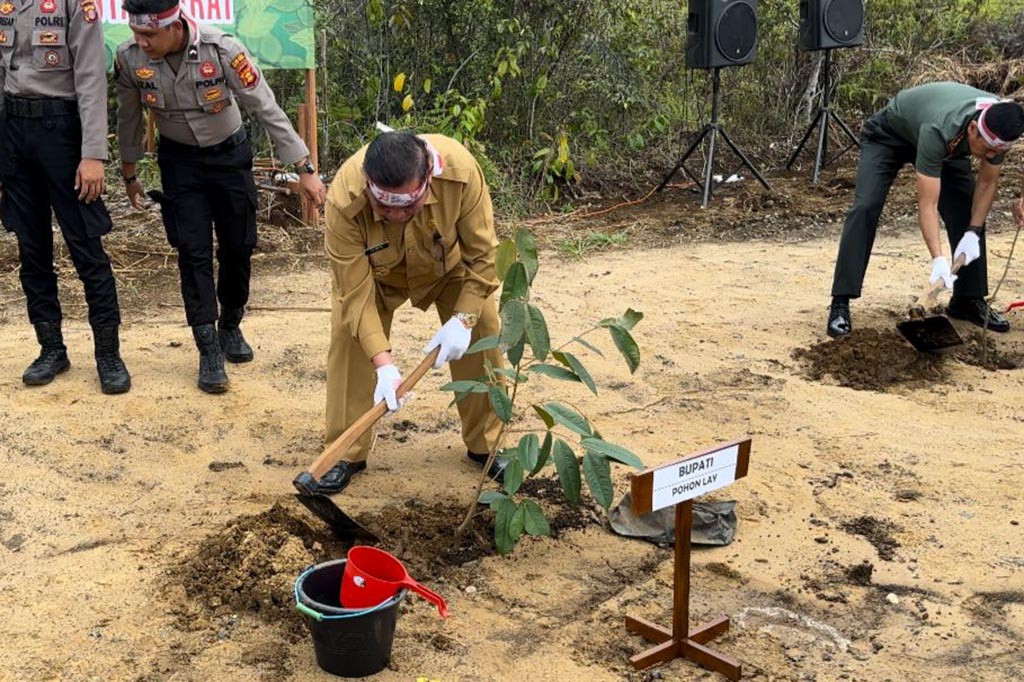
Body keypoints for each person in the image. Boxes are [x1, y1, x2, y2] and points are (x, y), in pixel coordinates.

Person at [114, 0, 325, 393]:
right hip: (180, 164)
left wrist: (304, 168)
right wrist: (129, 173)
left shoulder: (222, 50)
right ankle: (207, 348)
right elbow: (128, 117)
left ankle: (230, 324)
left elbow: (266, 108)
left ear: (175, 25)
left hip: (229, 156)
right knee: (192, 251)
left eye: (148, 34)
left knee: (238, 245)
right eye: (135, 32)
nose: (139, 41)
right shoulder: (129, 59)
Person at [319, 131, 505, 493]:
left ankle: (486, 443)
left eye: (407, 205)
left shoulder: (461, 172)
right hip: (376, 277)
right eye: (385, 206)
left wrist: (464, 318)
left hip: (446, 268)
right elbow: (354, 294)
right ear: (369, 185)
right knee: (350, 337)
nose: (396, 215)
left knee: (483, 325)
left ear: (428, 181)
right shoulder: (343, 197)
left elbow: (484, 257)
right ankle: (345, 451)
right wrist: (384, 364)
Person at [0, 0, 131, 394]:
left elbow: (91, 76)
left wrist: (92, 153)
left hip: (63, 132)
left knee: (86, 247)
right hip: (13, 132)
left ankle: (108, 355)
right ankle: (51, 349)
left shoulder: (77, 3)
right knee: (31, 248)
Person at [827, 82, 1024, 338]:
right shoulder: (940, 129)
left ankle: (967, 300)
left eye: (995, 153)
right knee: (866, 206)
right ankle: (841, 301)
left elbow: (987, 182)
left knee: (966, 208)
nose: (987, 157)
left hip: (948, 149)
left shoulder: (1000, 124)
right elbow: (927, 203)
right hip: (890, 136)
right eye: (986, 150)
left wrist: (973, 232)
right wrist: (939, 260)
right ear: (973, 129)